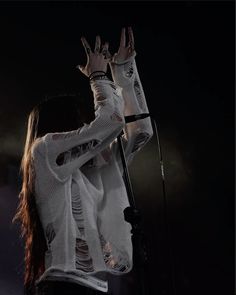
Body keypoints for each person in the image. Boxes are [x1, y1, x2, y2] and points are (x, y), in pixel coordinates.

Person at [13, 27, 153, 295]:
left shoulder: (96, 168)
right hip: (62, 287)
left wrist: (123, 71)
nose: (86, 127)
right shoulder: (44, 153)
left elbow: (141, 133)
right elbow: (109, 123)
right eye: (81, 122)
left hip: (94, 288)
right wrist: (98, 77)